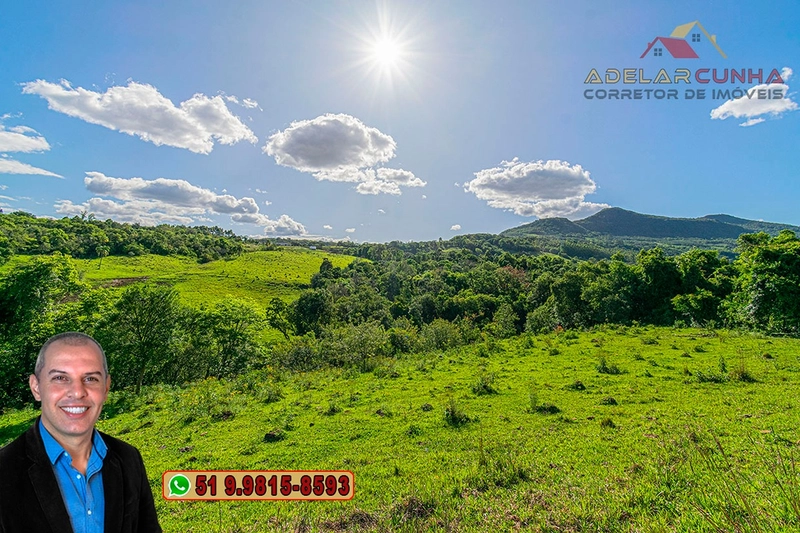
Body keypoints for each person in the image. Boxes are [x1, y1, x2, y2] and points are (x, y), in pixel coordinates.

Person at [0, 332, 162, 533]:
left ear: (106, 388)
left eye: (91, 378)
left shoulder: (129, 459)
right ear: (36, 388)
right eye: (60, 378)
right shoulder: (4, 470)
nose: (77, 392)